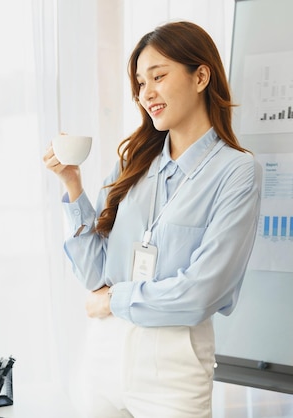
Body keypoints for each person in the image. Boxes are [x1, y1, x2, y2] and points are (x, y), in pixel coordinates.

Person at [43, 21, 261, 418]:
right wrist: (72, 184)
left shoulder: (236, 171)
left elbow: (201, 293)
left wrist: (115, 298)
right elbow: (95, 273)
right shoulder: (133, 160)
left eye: (158, 77)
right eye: (140, 84)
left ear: (200, 76)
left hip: (172, 368)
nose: (147, 94)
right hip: (103, 357)